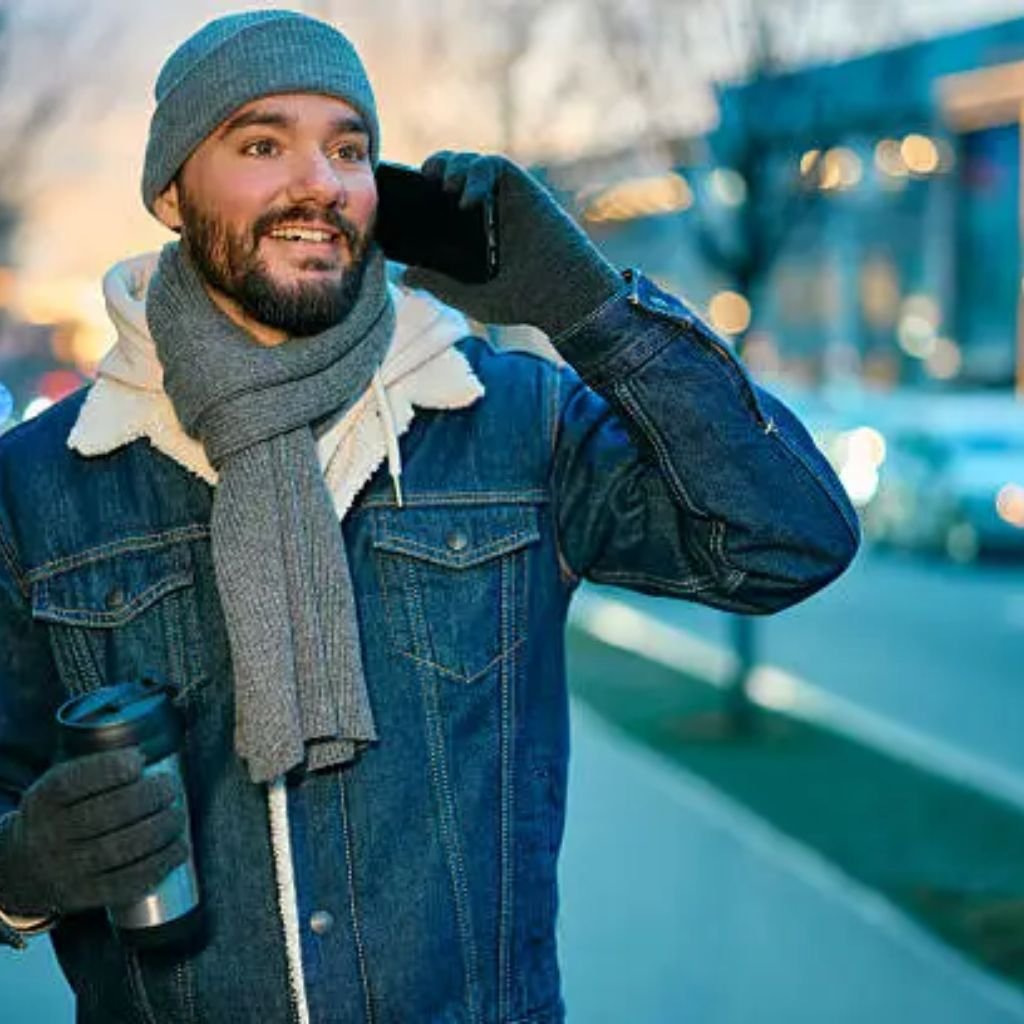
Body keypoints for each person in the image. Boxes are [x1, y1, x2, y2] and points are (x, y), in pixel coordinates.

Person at [0, 9, 859, 1023]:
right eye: (263, 144)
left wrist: (585, 305)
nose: (318, 182)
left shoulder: (511, 422)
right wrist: (23, 870)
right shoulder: (43, 485)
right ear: (171, 193)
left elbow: (786, 536)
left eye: (348, 148)